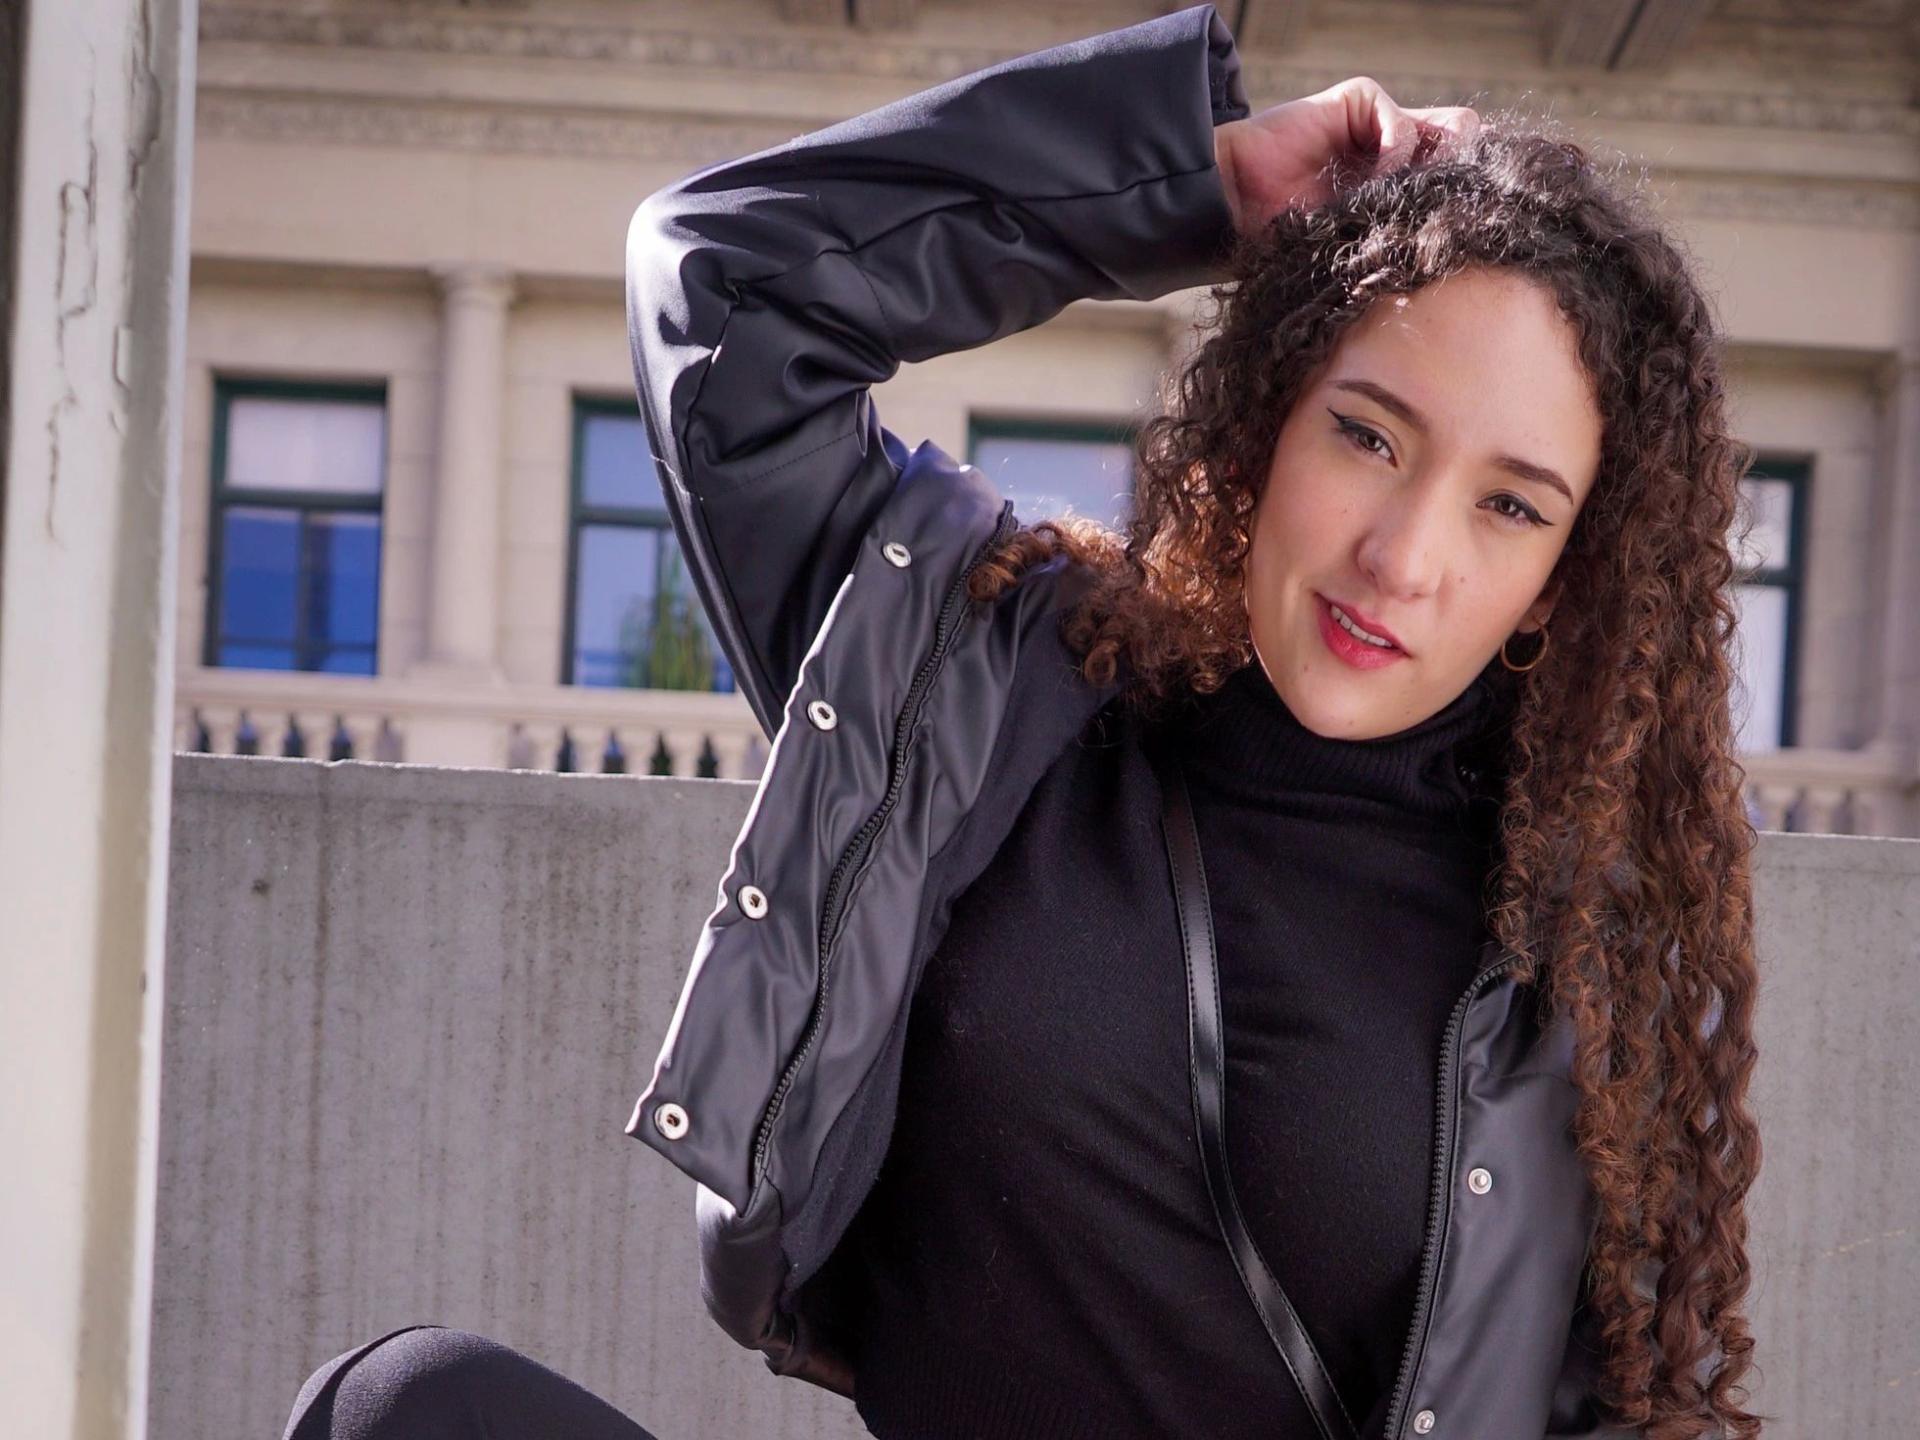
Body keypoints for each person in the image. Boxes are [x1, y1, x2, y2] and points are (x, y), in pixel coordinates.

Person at [278, 5, 1764, 1439]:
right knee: (410, 1408)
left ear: (1566, 581)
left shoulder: (1578, 956)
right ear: (1270, 417)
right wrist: (1197, 182)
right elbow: (726, 283)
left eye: (1511, 506)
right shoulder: (977, 697)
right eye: (1368, 434)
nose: (1404, 555)